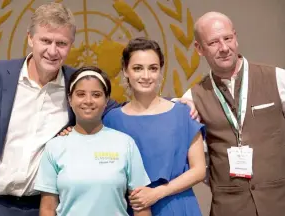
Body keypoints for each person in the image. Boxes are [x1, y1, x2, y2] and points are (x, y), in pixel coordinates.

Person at [0, 3, 198, 216]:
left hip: (43, 205)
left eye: (61, 43)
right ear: (30, 39)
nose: (53, 50)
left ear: (70, 45)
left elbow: (125, 106)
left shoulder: (77, 85)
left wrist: (178, 102)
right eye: (46, 40)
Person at [177, 12, 285, 216]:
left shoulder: (277, 78)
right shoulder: (192, 98)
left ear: (236, 37)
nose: (224, 48)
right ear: (199, 49)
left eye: (228, 38)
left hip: (279, 202)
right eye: (214, 42)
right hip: (229, 208)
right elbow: (194, 160)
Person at [103, 38, 206, 216]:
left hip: (178, 206)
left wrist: (157, 193)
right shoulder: (112, 120)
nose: (146, 76)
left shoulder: (183, 114)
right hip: (132, 208)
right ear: (125, 71)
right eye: (138, 68)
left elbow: (199, 170)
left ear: (160, 72)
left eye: (153, 68)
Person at [34, 66, 151, 216]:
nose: (88, 101)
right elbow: (48, 209)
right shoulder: (55, 147)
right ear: (70, 99)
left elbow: (141, 207)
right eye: (80, 94)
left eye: (96, 95)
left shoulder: (125, 144)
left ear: (106, 100)